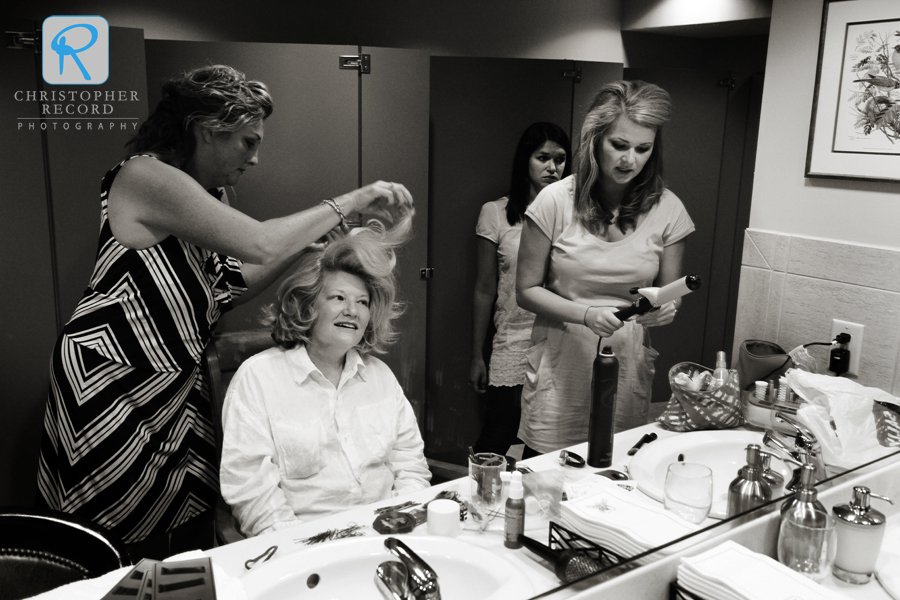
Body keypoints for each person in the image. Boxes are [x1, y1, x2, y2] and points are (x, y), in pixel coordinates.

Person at [36, 64, 414, 558]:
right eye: (247, 142)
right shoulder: (144, 176)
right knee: (109, 527)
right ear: (204, 130)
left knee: (172, 529)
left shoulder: (211, 198)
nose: (255, 158)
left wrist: (303, 250)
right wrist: (355, 199)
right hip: (113, 379)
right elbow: (258, 242)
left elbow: (228, 286)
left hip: (173, 381)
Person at [515, 80, 695, 457]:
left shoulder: (668, 209)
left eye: (642, 148)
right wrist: (586, 314)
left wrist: (666, 310)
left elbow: (669, 293)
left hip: (626, 362)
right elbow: (526, 290)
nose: (630, 160)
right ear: (595, 141)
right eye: (619, 145)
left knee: (615, 471)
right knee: (548, 474)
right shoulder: (554, 201)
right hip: (562, 361)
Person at [219, 217, 431, 536]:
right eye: (339, 298)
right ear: (308, 305)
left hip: (390, 535)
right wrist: (298, 551)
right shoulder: (258, 378)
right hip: (306, 547)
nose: (353, 310)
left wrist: (403, 525)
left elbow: (410, 466)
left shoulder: (381, 378)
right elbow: (253, 495)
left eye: (363, 302)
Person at [469, 122, 571, 456]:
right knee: (497, 439)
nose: (552, 167)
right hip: (512, 341)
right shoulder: (496, 213)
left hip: (559, 342)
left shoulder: (576, 218)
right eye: (543, 157)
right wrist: (476, 356)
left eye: (559, 159)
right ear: (525, 161)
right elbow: (485, 289)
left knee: (544, 446)